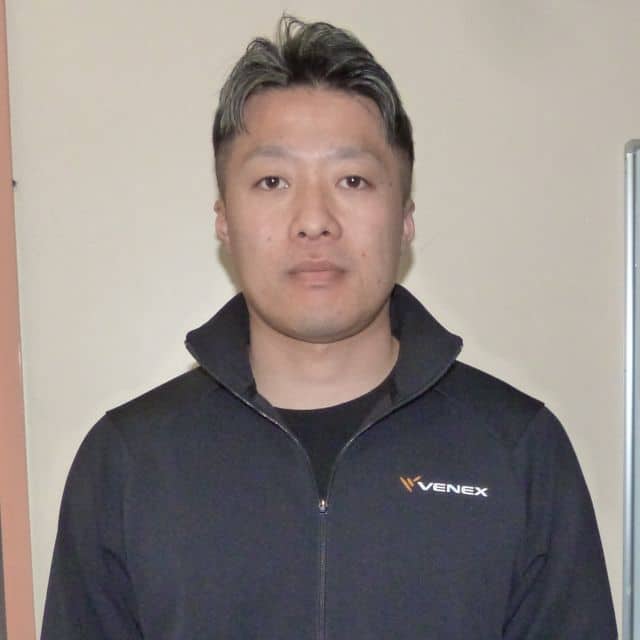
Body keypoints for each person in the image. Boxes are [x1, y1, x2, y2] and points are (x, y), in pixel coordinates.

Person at [41, 15, 617, 639]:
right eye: (273, 181)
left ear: (405, 219)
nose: (314, 219)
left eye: (352, 180)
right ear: (224, 220)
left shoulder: (517, 450)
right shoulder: (128, 463)